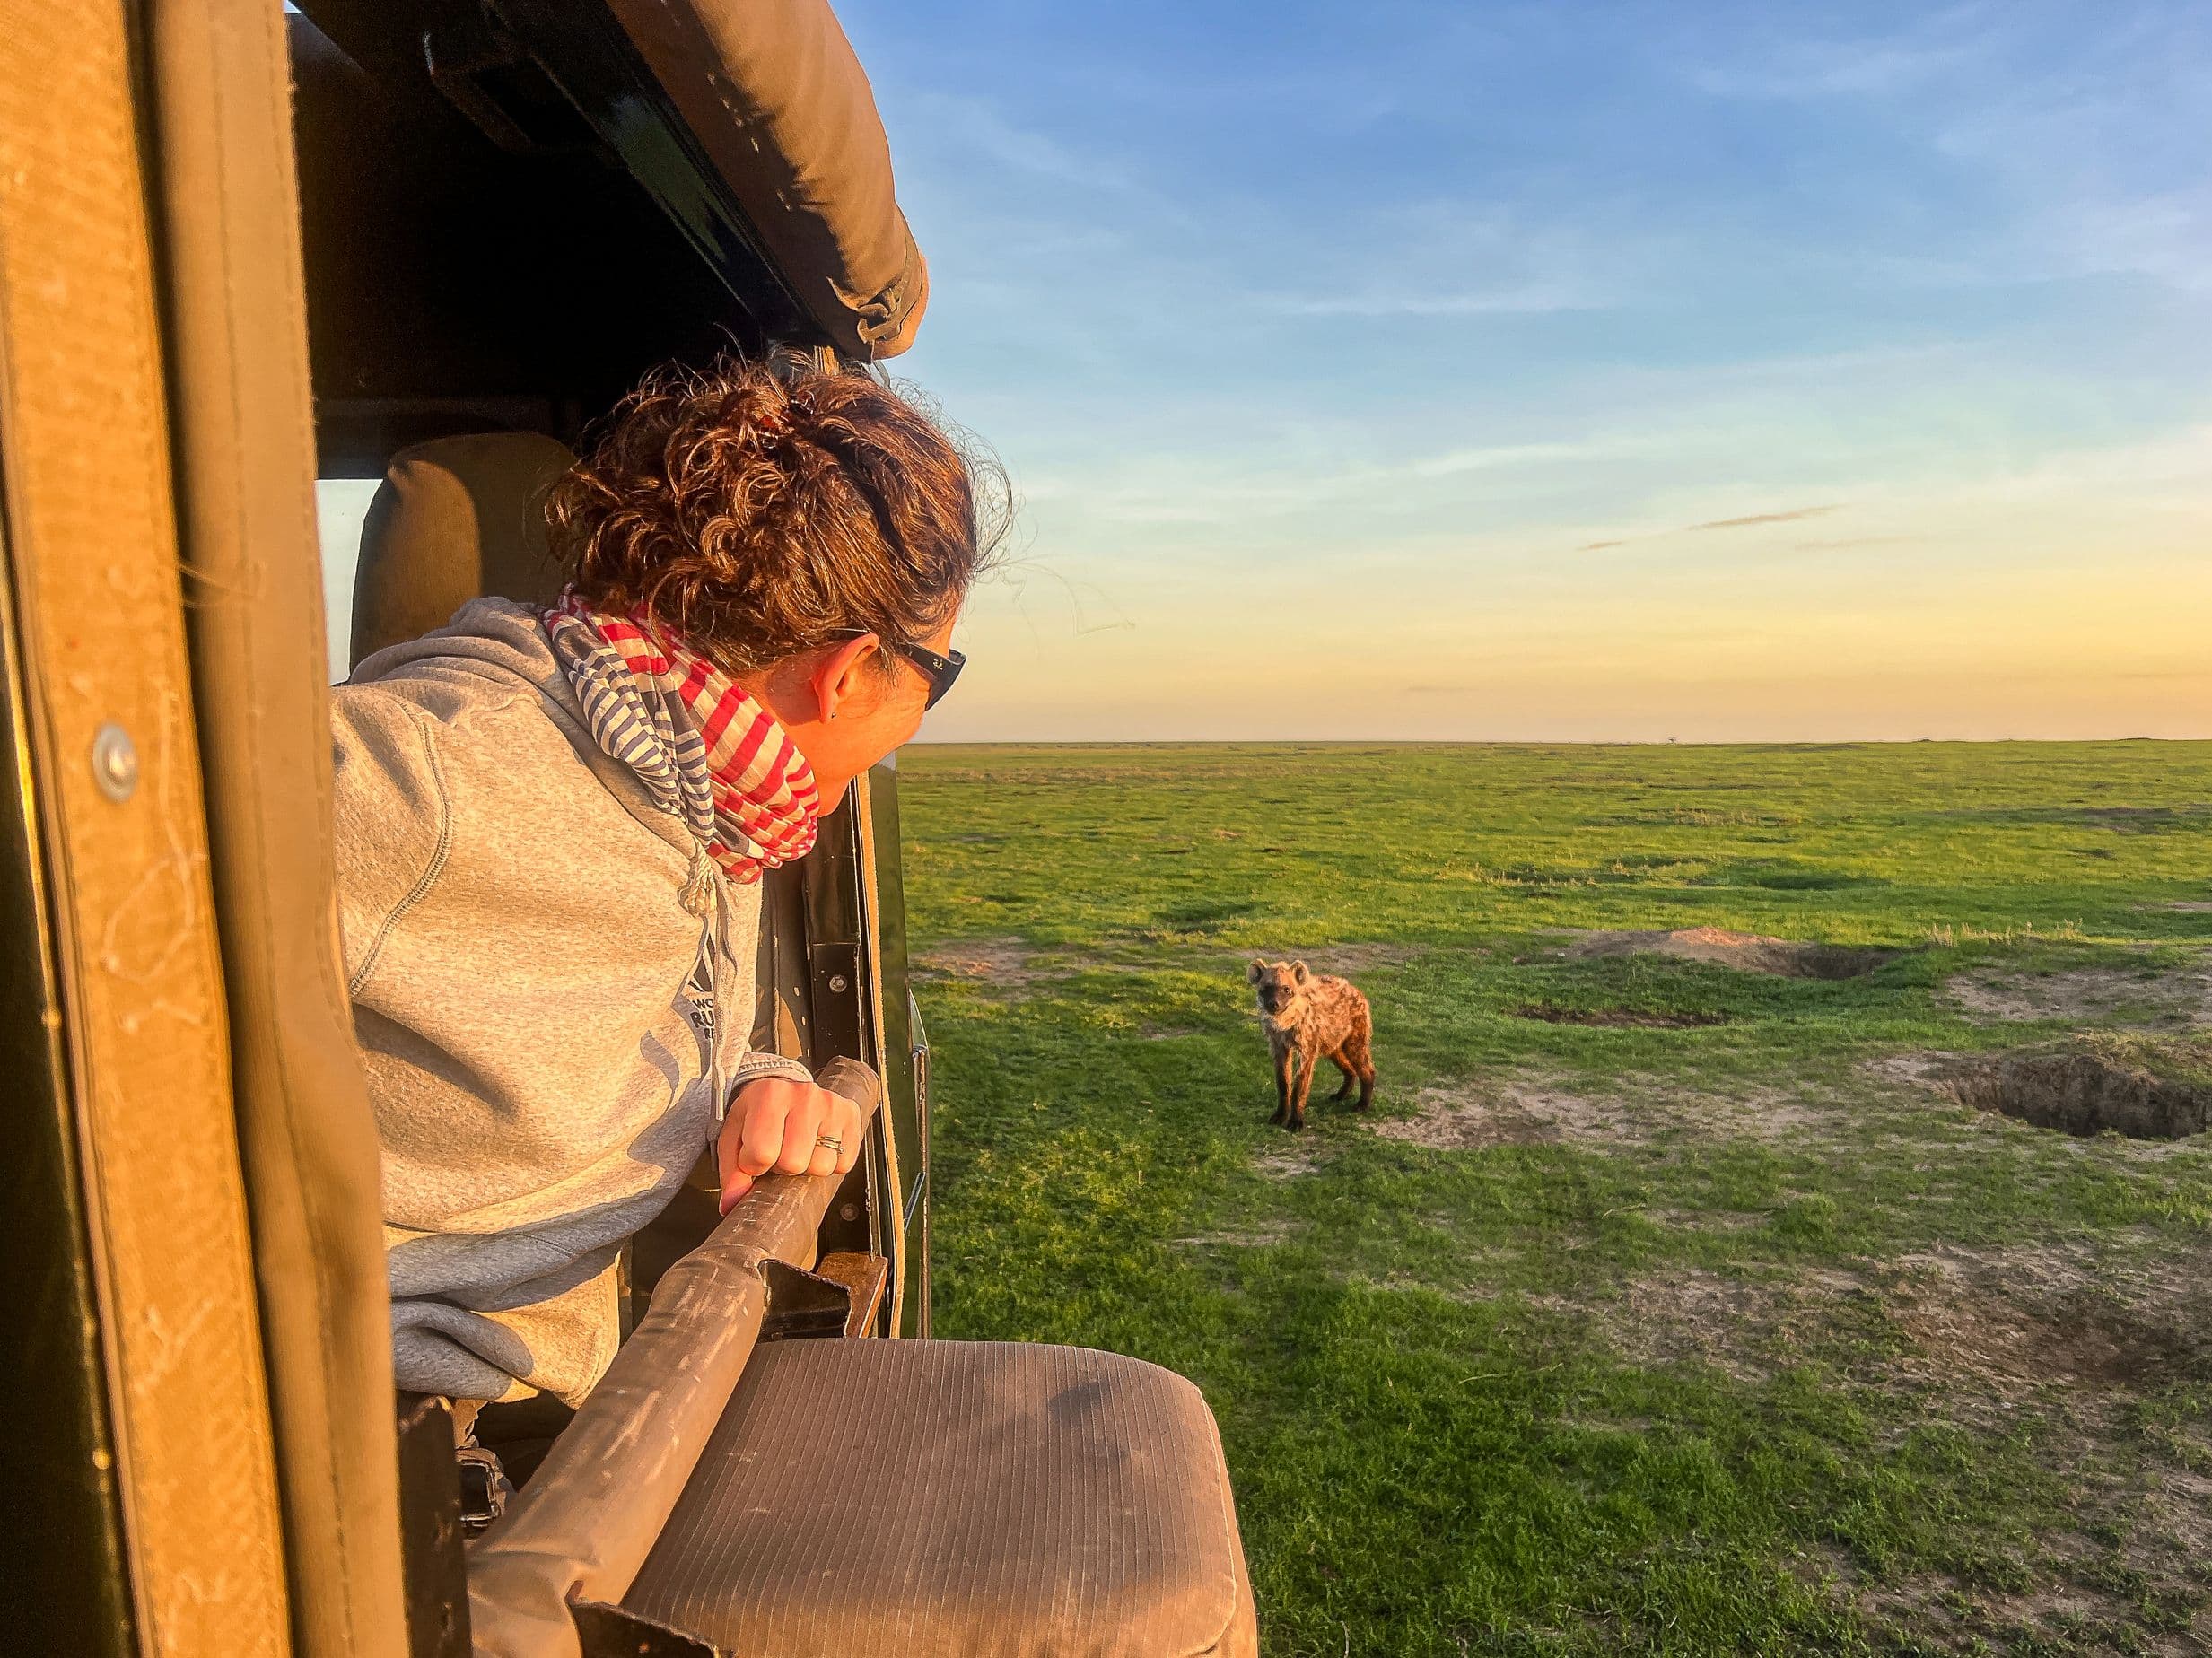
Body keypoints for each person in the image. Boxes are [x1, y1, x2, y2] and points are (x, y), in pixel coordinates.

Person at [332, 351, 999, 1407]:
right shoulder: (429, 774)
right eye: (937, 671)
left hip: (558, 1419)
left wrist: (746, 1083)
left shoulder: (693, 785)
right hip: (380, 1440)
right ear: (845, 671)